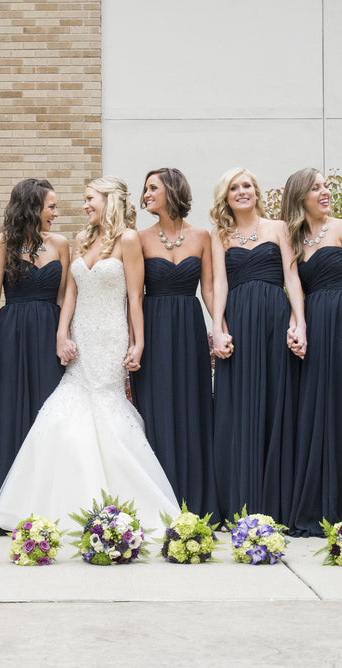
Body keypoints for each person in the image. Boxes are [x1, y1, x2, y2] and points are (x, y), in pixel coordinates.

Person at [0, 176, 181, 534]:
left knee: (106, 411)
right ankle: (59, 504)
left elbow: (135, 297)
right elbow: (71, 294)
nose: (84, 205)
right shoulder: (81, 239)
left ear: (109, 200)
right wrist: (62, 333)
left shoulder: (127, 239)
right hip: (80, 337)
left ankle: (128, 502)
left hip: (110, 338)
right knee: (61, 414)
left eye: (90, 198)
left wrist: (137, 342)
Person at [279, 168, 342, 536]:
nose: (325, 192)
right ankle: (318, 503)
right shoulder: (292, 238)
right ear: (299, 196)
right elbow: (294, 290)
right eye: (315, 188)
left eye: (325, 186)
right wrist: (298, 326)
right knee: (314, 411)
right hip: (314, 328)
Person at [210, 167, 305, 524]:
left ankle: (276, 501)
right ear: (226, 197)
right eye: (233, 187)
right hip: (238, 322)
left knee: (275, 402)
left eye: (246, 185)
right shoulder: (220, 235)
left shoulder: (279, 228)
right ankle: (240, 499)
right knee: (238, 406)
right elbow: (220, 284)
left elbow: (292, 278)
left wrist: (300, 322)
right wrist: (218, 329)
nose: (241, 191)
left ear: (256, 191)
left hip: (274, 319)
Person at [0, 178, 69, 521]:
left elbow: (63, 298)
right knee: (11, 413)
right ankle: (10, 507)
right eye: (51, 207)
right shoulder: (2, 242)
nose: (56, 214)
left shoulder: (61, 243)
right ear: (32, 207)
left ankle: (48, 502)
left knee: (47, 413)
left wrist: (66, 336)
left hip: (50, 333)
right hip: (12, 333)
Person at [131, 167, 216, 517]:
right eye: (145, 188)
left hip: (190, 325)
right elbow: (134, 295)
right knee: (156, 407)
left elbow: (209, 289)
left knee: (192, 406)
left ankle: (195, 499)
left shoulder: (202, 237)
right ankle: (159, 501)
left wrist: (221, 327)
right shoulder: (138, 238)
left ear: (171, 190)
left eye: (153, 187)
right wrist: (136, 341)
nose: (146, 194)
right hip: (153, 327)